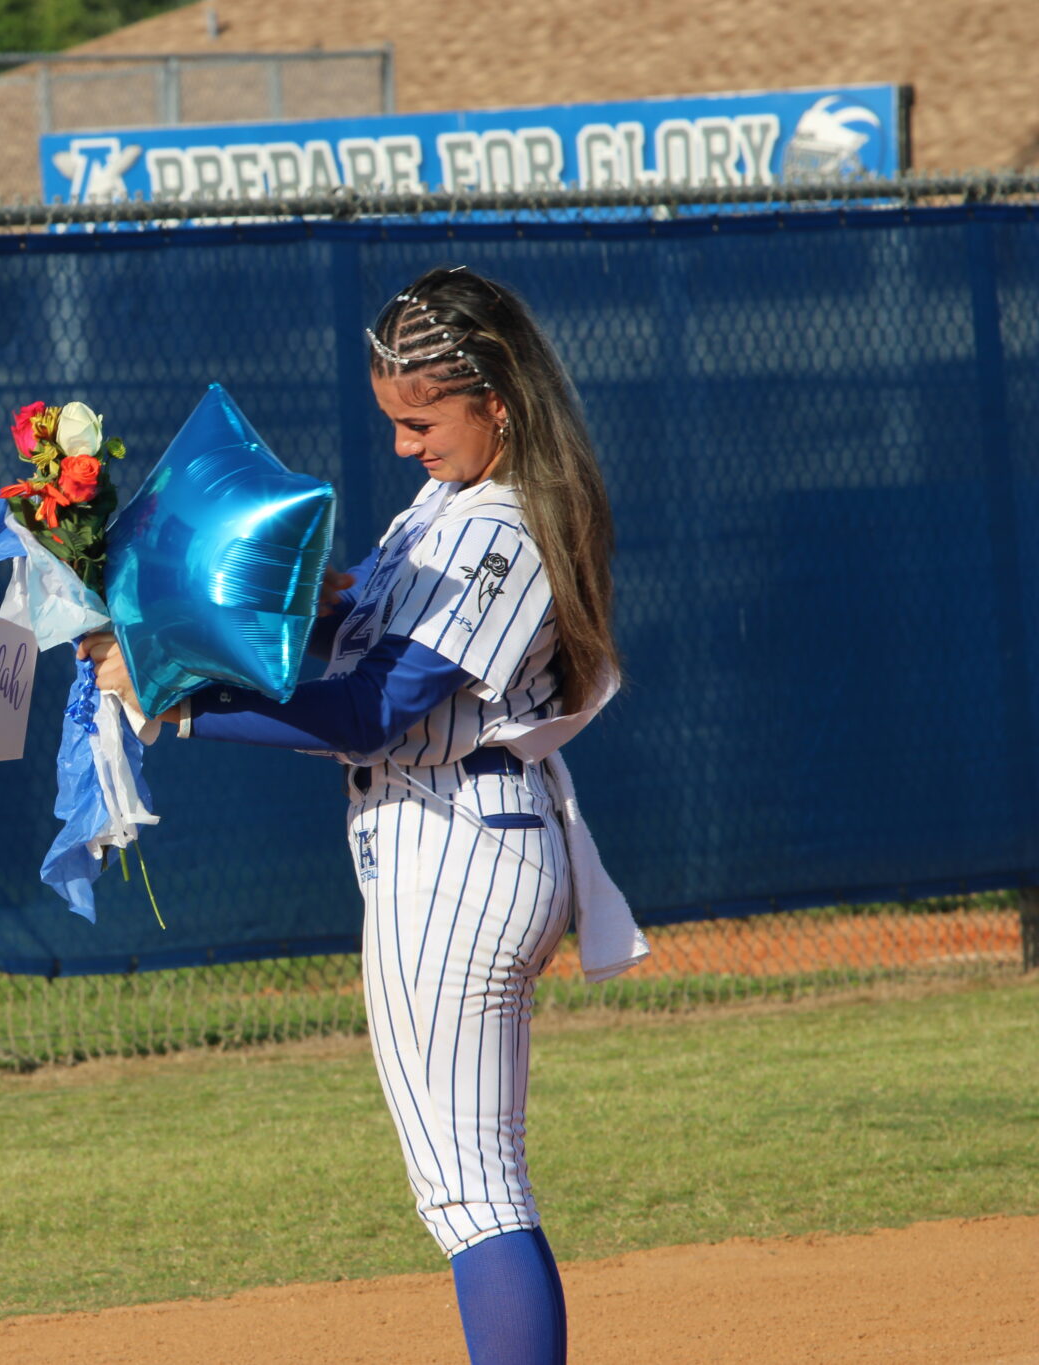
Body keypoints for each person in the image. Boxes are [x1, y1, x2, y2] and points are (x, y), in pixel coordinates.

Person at [88, 266, 620, 1365]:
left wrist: (182, 705)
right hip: (443, 842)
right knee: (475, 1183)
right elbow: (348, 648)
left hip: (457, 848)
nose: (401, 445)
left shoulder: (500, 526)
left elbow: (371, 714)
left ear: (497, 403)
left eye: (419, 420)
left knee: (468, 1192)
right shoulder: (444, 506)